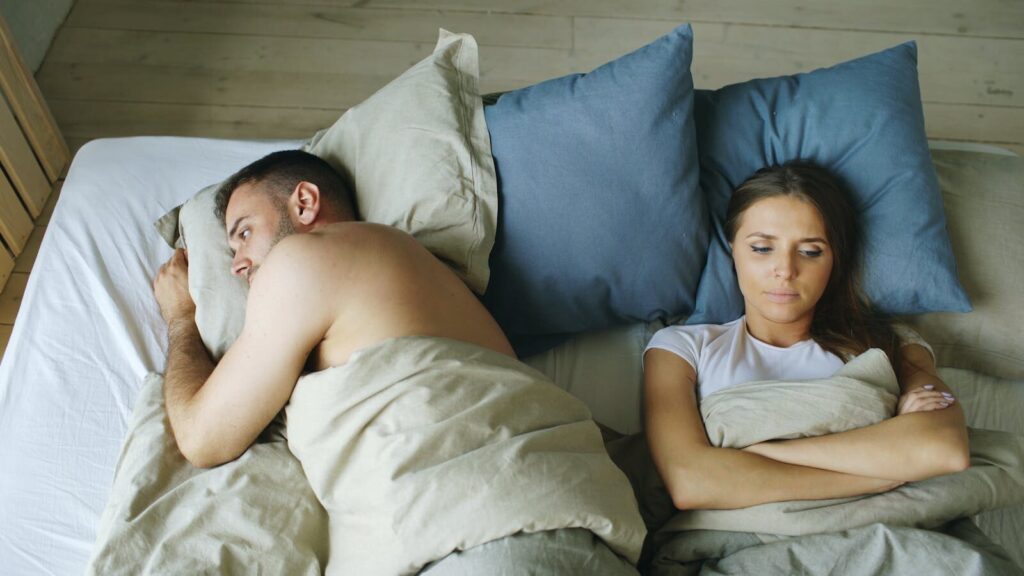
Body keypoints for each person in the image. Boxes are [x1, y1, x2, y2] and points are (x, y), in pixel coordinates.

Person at [151, 149, 642, 574]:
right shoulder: (425, 274)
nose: (235, 263)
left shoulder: (301, 260)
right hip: (572, 522)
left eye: (243, 233)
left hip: (485, 538)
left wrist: (180, 317)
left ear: (303, 202)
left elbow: (202, 437)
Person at [643, 161, 970, 512]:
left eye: (811, 251)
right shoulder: (680, 348)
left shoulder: (891, 344)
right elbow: (693, 483)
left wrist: (764, 454)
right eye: (762, 248)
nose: (785, 270)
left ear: (835, 259)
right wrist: (882, 475)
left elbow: (944, 448)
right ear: (732, 248)